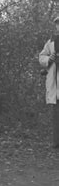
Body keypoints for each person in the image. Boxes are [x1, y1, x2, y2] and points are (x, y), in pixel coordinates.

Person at [39, 16, 59, 148]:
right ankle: (56, 143)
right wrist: (49, 59)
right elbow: (41, 57)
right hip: (55, 84)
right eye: (57, 24)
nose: (58, 26)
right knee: (56, 115)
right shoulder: (51, 41)